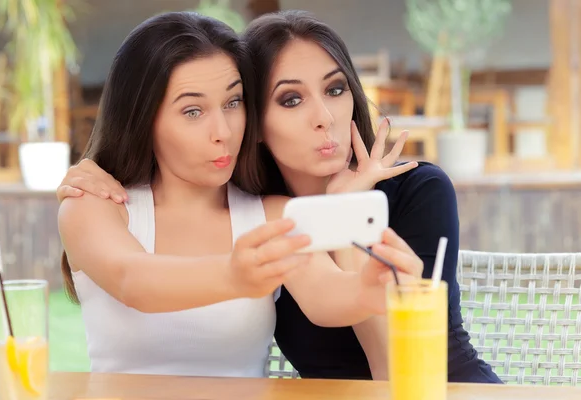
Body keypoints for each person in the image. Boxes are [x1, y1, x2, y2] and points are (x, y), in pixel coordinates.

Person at [57, 10, 501, 383]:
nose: (223, 131)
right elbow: (134, 280)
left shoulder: (272, 211)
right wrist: (234, 276)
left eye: (233, 104)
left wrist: (368, 288)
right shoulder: (92, 204)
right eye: (193, 111)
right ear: (143, 118)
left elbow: (327, 297)